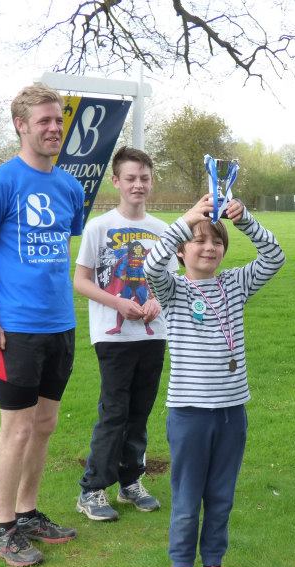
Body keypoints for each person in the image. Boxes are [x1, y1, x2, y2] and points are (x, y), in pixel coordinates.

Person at [0, 83, 85, 567]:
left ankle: (29, 513)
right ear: (21, 126)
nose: (54, 129)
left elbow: (60, 254)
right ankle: (4, 528)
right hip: (16, 330)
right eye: (44, 122)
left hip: (61, 325)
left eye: (58, 121)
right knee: (16, 428)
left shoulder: (70, 187)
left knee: (45, 424)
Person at [144, 195, 285, 567]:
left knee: (221, 494)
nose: (208, 248)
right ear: (182, 249)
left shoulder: (235, 284)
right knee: (187, 497)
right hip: (189, 413)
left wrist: (246, 221)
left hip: (231, 412)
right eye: (198, 240)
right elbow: (152, 263)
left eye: (216, 241)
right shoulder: (172, 290)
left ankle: (214, 565)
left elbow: (273, 257)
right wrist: (186, 219)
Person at [73, 147, 177, 521]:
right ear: (116, 181)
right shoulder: (98, 228)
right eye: (130, 178)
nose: (138, 185)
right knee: (114, 411)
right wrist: (117, 304)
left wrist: (158, 304)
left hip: (152, 334)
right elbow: (81, 281)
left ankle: (130, 481)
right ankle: (92, 489)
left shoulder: (164, 231)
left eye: (144, 178)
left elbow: (173, 283)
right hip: (113, 337)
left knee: (140, 411)